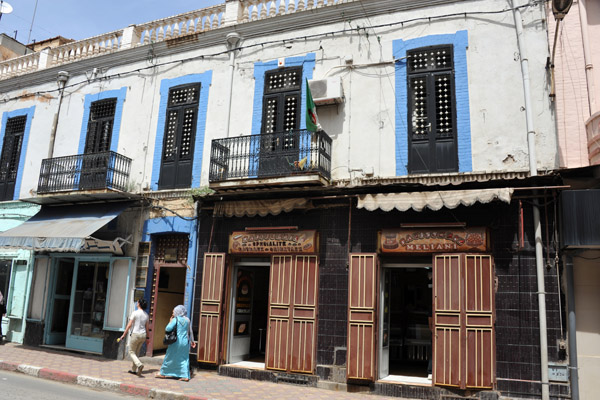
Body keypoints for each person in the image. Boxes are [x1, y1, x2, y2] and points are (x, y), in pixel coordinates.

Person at [156, 305, 196, 381]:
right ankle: (185, 376)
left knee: (169, 357)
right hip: (185, 342)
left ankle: (163, 373)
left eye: (174, 311)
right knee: (184, 359)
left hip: (175, 342)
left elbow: (167, 329)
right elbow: (190, 331)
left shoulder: (176, 319)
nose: (173, 312)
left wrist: (170, 321)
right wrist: (192, 341)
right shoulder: (187, 320)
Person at [119, 299, 149, 376]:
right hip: (143, 335)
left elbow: (129, 325)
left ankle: (139, 364)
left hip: (136, 334)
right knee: (136, 352)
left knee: (131, 352)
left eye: (138, 302)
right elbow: (147, 327)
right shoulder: (146, 315)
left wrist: (123, 334)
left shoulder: (135, 313)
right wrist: (148, 337)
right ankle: (134, 370)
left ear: (139, 304)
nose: (137, 303)